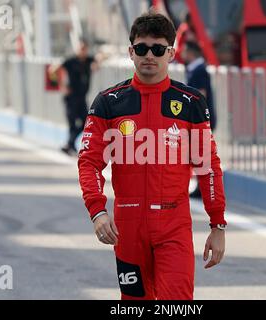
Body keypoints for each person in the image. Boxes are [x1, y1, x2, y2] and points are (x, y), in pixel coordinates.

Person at [78, 12, 227, 300]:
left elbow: (208, 167)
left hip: (174, 227)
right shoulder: (108, 103)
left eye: (158, 49)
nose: (150, 55)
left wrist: (217, 224)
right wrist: (97, 211)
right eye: (142, 48)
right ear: (130, 51)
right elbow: (89, 163)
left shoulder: (191, 103)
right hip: (128, 230)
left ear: (171, 53)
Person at [183, 40, 217, 198]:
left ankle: (205, 187)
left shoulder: (199, 70)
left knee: (201, 155)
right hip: (199, 119)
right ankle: (201, 186)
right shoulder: (195, 69)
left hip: (201, 119)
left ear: (191, 53)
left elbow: (200, 94)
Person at [53, 39, 98, 155]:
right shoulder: (70, 61)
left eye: (84, 48)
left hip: (82, 97)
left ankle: (69, 145)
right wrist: (61, 85)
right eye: (81, 48)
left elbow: (99, 61)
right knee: (72, 124)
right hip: (71, 97)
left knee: (86, 122)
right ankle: (70, 146)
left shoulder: (89, 60)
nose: (82, 51)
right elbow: (53, 69)